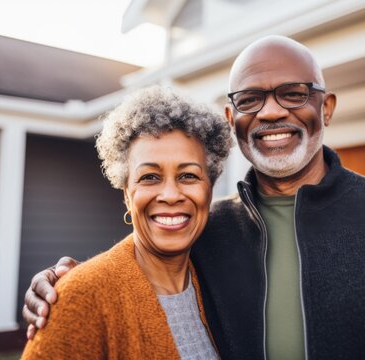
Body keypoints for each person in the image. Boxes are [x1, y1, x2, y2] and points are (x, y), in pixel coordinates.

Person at [24, 36, 365, 359]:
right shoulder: (207, 233)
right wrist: (60, 286)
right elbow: (134, 270)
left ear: (325, 107)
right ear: (231, 116)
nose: (270, 112)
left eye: (293, 93)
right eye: (250, 99)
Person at [21, 86, 232, 359]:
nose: (170, 195)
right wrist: (76, 287)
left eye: (188, 176)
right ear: (126, 195)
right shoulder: (80, 298)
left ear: (209, 189)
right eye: (149, 177)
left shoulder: (217, 281)